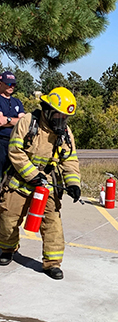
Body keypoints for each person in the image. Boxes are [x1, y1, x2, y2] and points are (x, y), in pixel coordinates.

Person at [0, 87, 81, 280]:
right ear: (46, 109)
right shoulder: (28, 122)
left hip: (47, 183)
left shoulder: (64, 132)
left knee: (52, 222)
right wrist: (33, 175)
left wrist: (73, 183)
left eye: (64, 118)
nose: (61, 121)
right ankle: (7, 249)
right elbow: (15, 151)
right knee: (8, 218)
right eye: (57, 116)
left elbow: (70, 160)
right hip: (19, 180)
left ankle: (52, 263)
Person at [0, 71, 25, 181]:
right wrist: (15, 120)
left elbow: (23, 122)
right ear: (1, 83)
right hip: (1, 141)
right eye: (9, 84)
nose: (12, 87)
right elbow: (0, 121)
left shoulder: (17, 102)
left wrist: (8, 119)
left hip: (15, 141)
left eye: (14, 84)